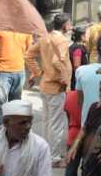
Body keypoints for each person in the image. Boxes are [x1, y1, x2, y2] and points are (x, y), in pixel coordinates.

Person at [25, 12, 72, 167]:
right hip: (56, 87)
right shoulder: (62, 40)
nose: (71, 27)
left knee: (47, 122)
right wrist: (65, 79)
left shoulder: (45, 38)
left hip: (45, 85)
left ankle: (46, 153)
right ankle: (54, 158)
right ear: (65, 26)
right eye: (69, 24)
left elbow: (28, 55)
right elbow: (58, 62)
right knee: (57, 124)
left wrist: (39, 73)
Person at [0, 21, 33, 127]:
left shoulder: (26, 29)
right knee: (1, 107)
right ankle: (0, 134)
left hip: (20, 72)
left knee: (16, 106)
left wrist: (33, 72)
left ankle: (13, 133)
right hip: (3, 73)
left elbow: (29, 52)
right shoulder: (0, 26)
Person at [62, 87, 81, 176]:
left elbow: (68, 116)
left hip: (73, 133)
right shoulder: (94, 93)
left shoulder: (69, 95)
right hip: (88, 135)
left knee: (71, 167)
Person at [68, 26, 88, 90]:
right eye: (86, 35)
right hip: (77, 80)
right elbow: (77, 66)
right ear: (82, 36)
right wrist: (80, 81)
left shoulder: (77, 46)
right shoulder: (77, 49)